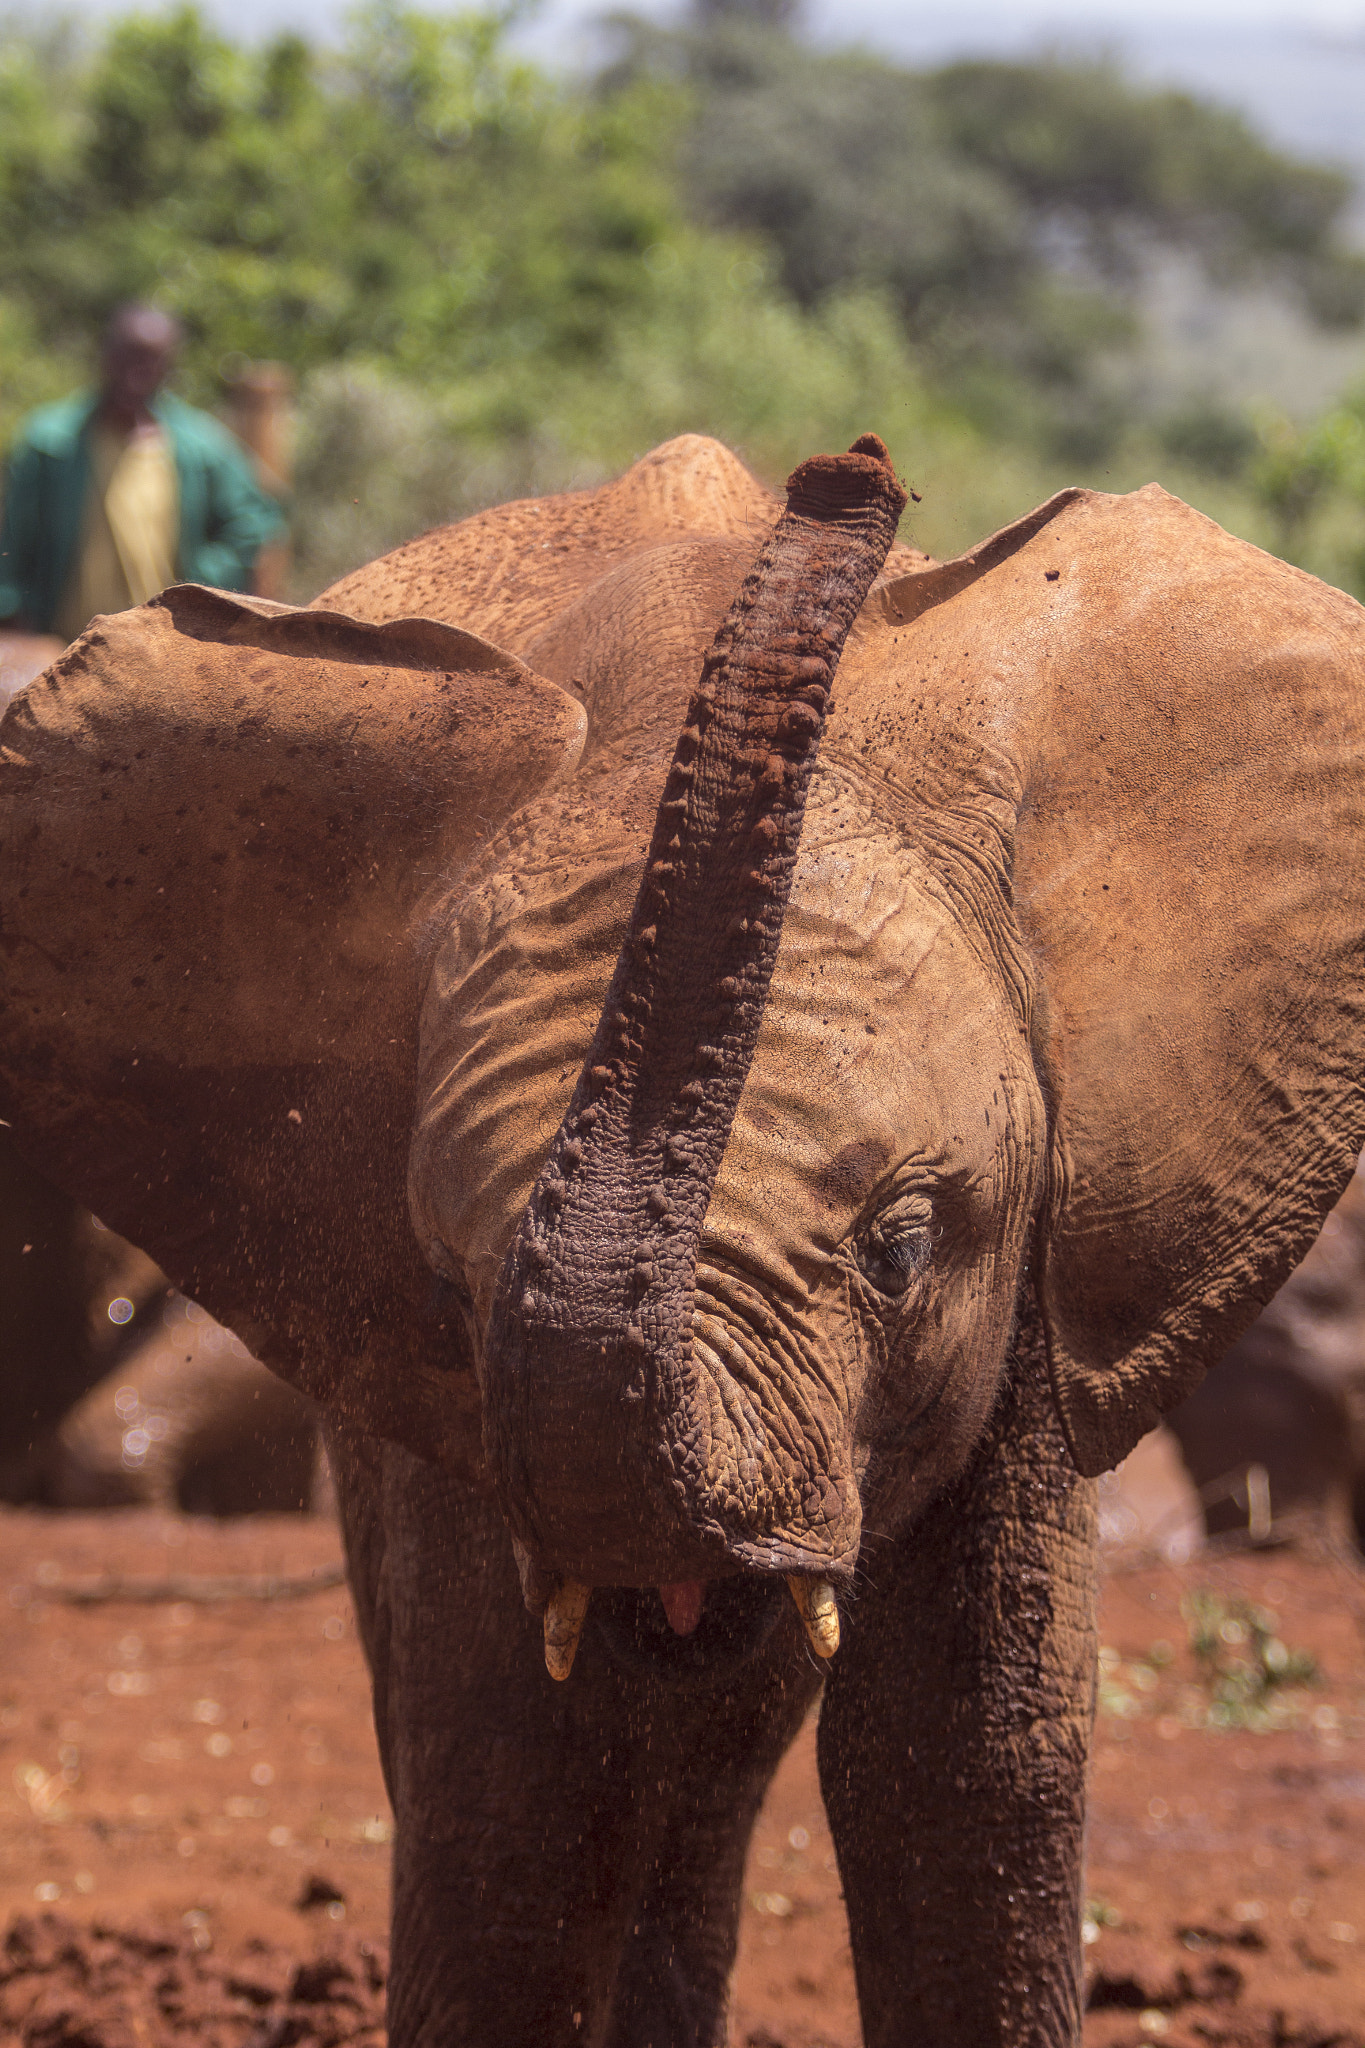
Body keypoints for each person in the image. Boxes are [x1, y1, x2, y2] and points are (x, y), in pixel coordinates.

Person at [0, 303, 285, 641]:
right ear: (105, 354)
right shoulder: (51, 442)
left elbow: (258, 517)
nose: (135, 372)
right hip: (63, 648)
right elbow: (13, 542)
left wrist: (202, 583)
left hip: (161, 656)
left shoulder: (200, 448)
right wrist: (12, 614)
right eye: (127, 355)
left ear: (168, 366)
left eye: (150, 360)